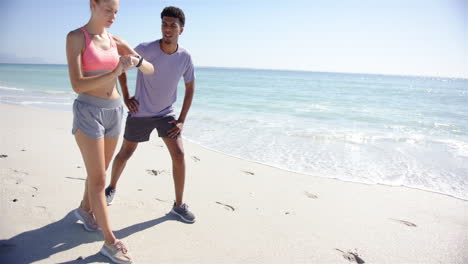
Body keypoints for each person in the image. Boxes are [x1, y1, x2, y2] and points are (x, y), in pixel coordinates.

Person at [66, 0, 154, 263]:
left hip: (115, 111)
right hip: (89, 111)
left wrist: (135, 62)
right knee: (99, 180)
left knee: (99, 172)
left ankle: (84, 210)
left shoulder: (116, 40)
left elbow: (151, 69)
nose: (113, 16)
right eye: (108, 10)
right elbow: (77, 85)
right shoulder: (76, 38)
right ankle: (109, 242)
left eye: (116, 12)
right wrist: (115, 70)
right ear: (93, 5)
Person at [106, 6, 196, 223]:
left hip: (167, 114)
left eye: (172, 25)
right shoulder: (145, 49)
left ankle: (178, 205)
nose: (167, 29)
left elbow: (190, 87)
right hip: (141, 112)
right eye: (164, 24)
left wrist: (182, 120)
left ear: (181, 30)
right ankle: (111, 188)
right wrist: (126, 97)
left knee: (179, 155)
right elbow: (122, 64)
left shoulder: (185, 57)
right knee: (125, 153)